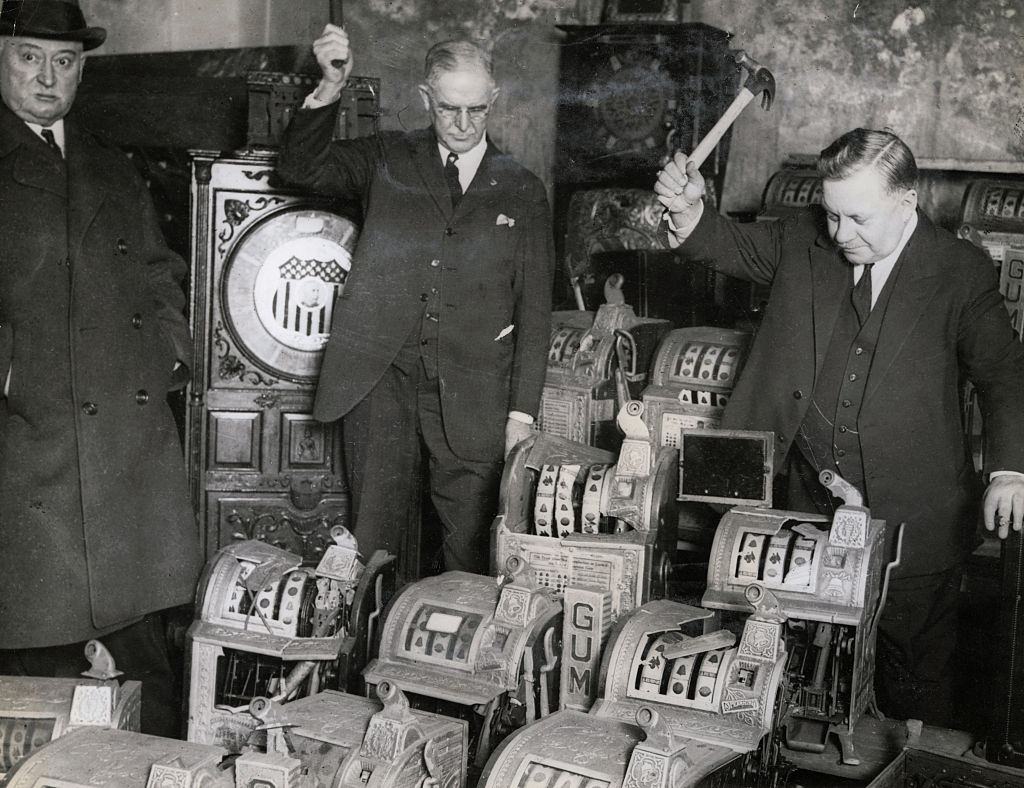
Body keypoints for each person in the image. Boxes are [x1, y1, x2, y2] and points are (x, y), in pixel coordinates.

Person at [655, 128, 1024, 727]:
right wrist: (691, 209)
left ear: (907, 202)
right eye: (831, 216)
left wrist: (1010, 469)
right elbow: (726, 245)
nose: (841, 235)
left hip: (915, 516)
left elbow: (1005, 375)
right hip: (806, 507)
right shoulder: (808, 239)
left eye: (858, 218)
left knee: (911, 673)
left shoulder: (960, 271)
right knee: (806, 666)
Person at [278, 28, 554, 578]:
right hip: (382, 380)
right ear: (427, 99)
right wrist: (330, 85)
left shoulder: (522, 189)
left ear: (493, 101)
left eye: (478, 109)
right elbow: (299, 169)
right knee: (372, 541)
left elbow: (535, 311)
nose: (464, 123)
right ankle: (363, 660)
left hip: (476, 394)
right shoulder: (386, 158)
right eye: (449, 108)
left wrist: (521, 414)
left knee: (472, 550)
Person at [0, 0, 200, 736]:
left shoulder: (107, 161)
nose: (48, 77)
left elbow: (156, 270)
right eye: (29, 56)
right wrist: (12, 374)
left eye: (66, 61)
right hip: (31, 448)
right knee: (36, 667)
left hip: (124, 444)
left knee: (144, 659)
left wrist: (171, 352)